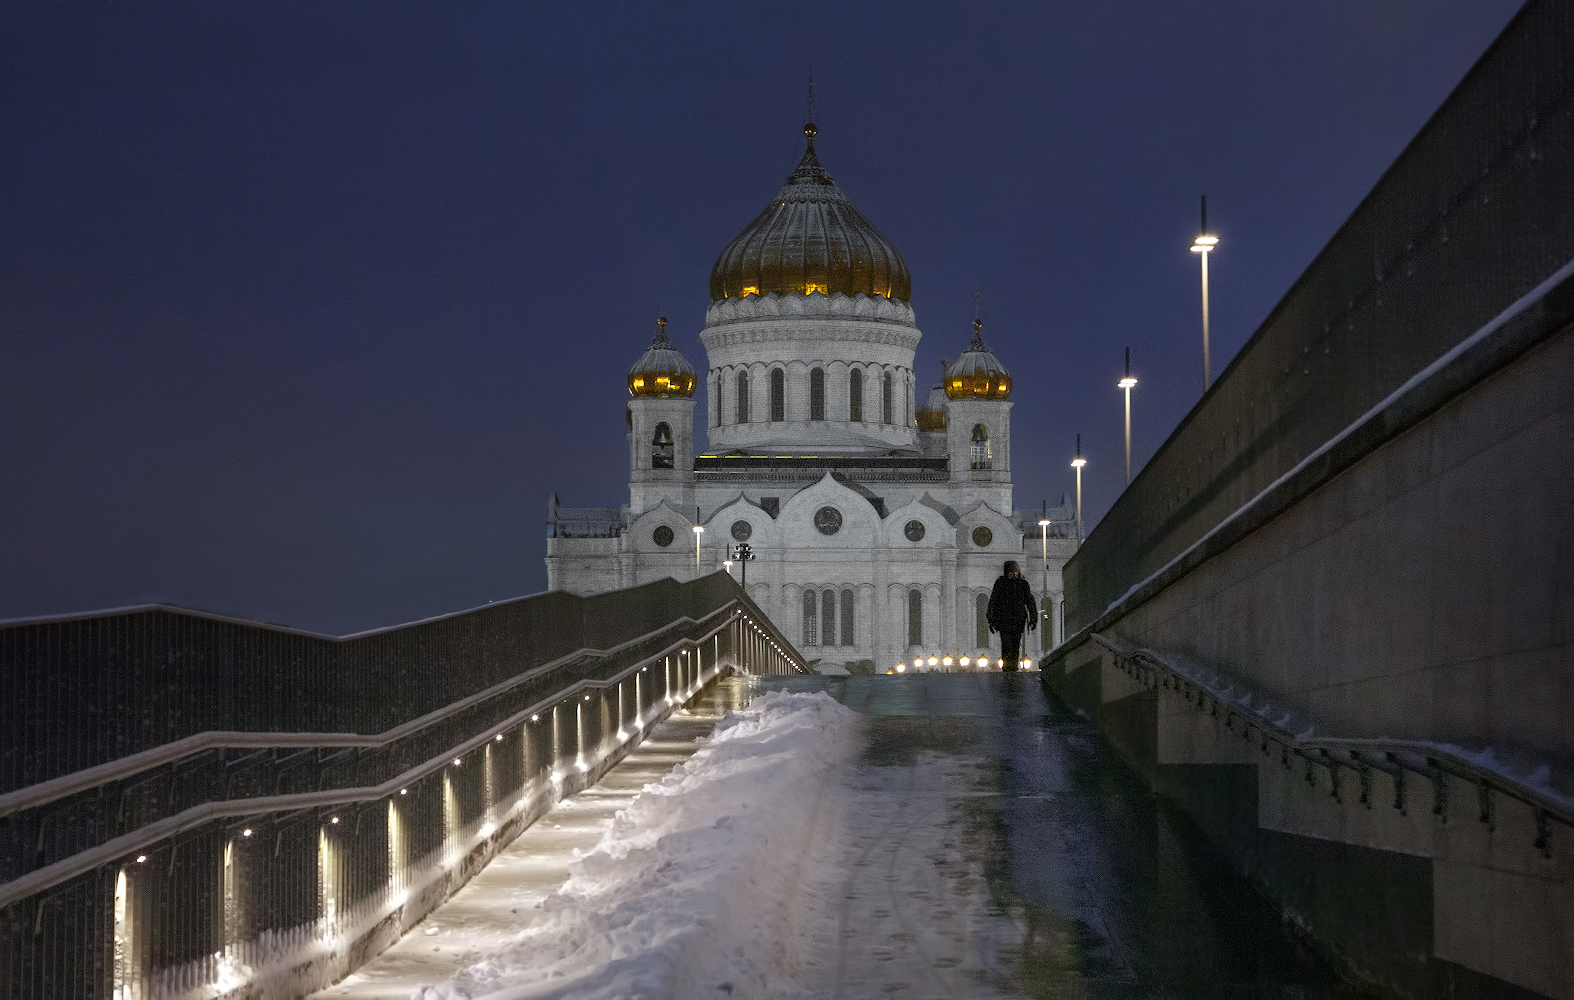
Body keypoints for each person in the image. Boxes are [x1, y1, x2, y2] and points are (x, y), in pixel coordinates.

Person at [986, 560, 1037, 672]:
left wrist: (1033, 618)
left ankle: (1013, 668)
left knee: (1015, 645)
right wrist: (990, 619)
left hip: (1018, 621)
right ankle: (1008, 668)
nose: (1015, 574)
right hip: (1004, 621)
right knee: (1006, 644)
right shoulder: (1000, 583)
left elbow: (1030, 602)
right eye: (1012, 572)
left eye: (1016, 571)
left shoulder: (1023, 585)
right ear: (1007, 572)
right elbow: (993, 601)